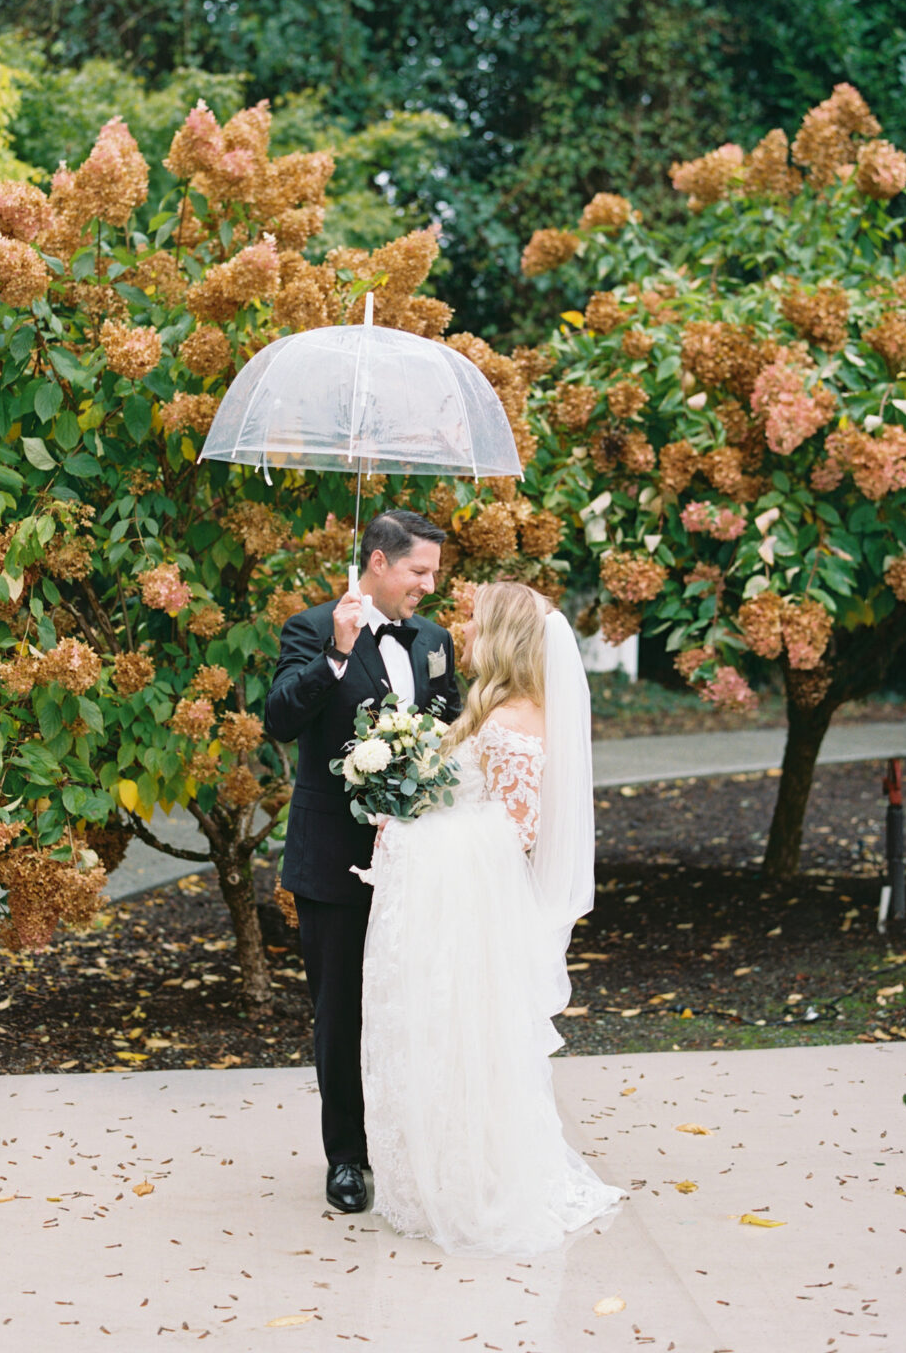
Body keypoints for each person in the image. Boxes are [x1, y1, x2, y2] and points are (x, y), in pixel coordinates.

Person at [353, 580, 626, 1256]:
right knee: (469, 1039)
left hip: (467, 908)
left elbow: (514, 827)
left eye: (473, 623)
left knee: (456, 1037)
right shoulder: (514, 707)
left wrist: (407, 825)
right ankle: (455, 1171)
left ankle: (466, 1181)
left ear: (501, 634)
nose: (463, 632)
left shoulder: (506, 722)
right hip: (477, 902)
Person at [264, 509, 462, 1215]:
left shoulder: (433, 640)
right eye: (418, 571)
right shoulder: (312, 628)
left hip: (418, 862)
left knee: (415, 1005)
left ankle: (413, 1143)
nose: (428, 586)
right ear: (377, 563)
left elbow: (449, 725)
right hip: (333, 860)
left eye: (433, 572)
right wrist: (336, 658)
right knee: (340, 1011)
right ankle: (346, 1157)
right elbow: (278, 719)